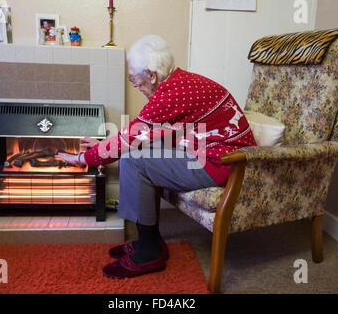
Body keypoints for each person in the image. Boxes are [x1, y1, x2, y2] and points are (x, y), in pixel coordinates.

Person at [56, 35, 257, 279]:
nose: (134, 85)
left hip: (224, 164)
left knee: (132, 160)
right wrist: (105, 145)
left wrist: (83, 159)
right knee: (136, 153)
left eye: (134, 79)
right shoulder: (180, 82)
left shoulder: (171, 94)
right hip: (211, 154)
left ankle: (149, 250)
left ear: (151, 75)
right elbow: (142, 135)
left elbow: (129, 139)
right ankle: (149, 241)